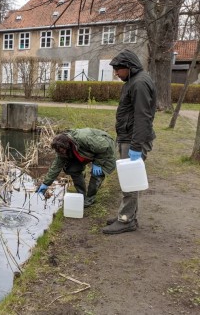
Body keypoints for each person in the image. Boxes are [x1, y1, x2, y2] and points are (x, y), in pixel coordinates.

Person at [102, 49, 157, 235]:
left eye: (118, 69)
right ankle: (127, 215)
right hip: (128, 137)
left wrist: (135, 146)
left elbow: (143, 116)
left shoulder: (140, 83)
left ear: (129, 67)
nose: (116, 73)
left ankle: (126, 220)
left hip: (134, 140)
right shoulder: (133, 81)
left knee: (130, 181)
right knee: (129, 180)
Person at [37, 128, 116, 207]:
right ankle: (81, 195)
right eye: (59, 151)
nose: (61, 152)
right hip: (86, 151)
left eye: (62, 150)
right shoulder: (61, 149)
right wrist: (46, 183)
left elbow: (104, 146)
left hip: (104, 148)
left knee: (97, 173)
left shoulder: (83, 138)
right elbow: (56, 166)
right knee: (72, 169)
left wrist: (98, 163)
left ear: (67, 145)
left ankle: (90, 198)